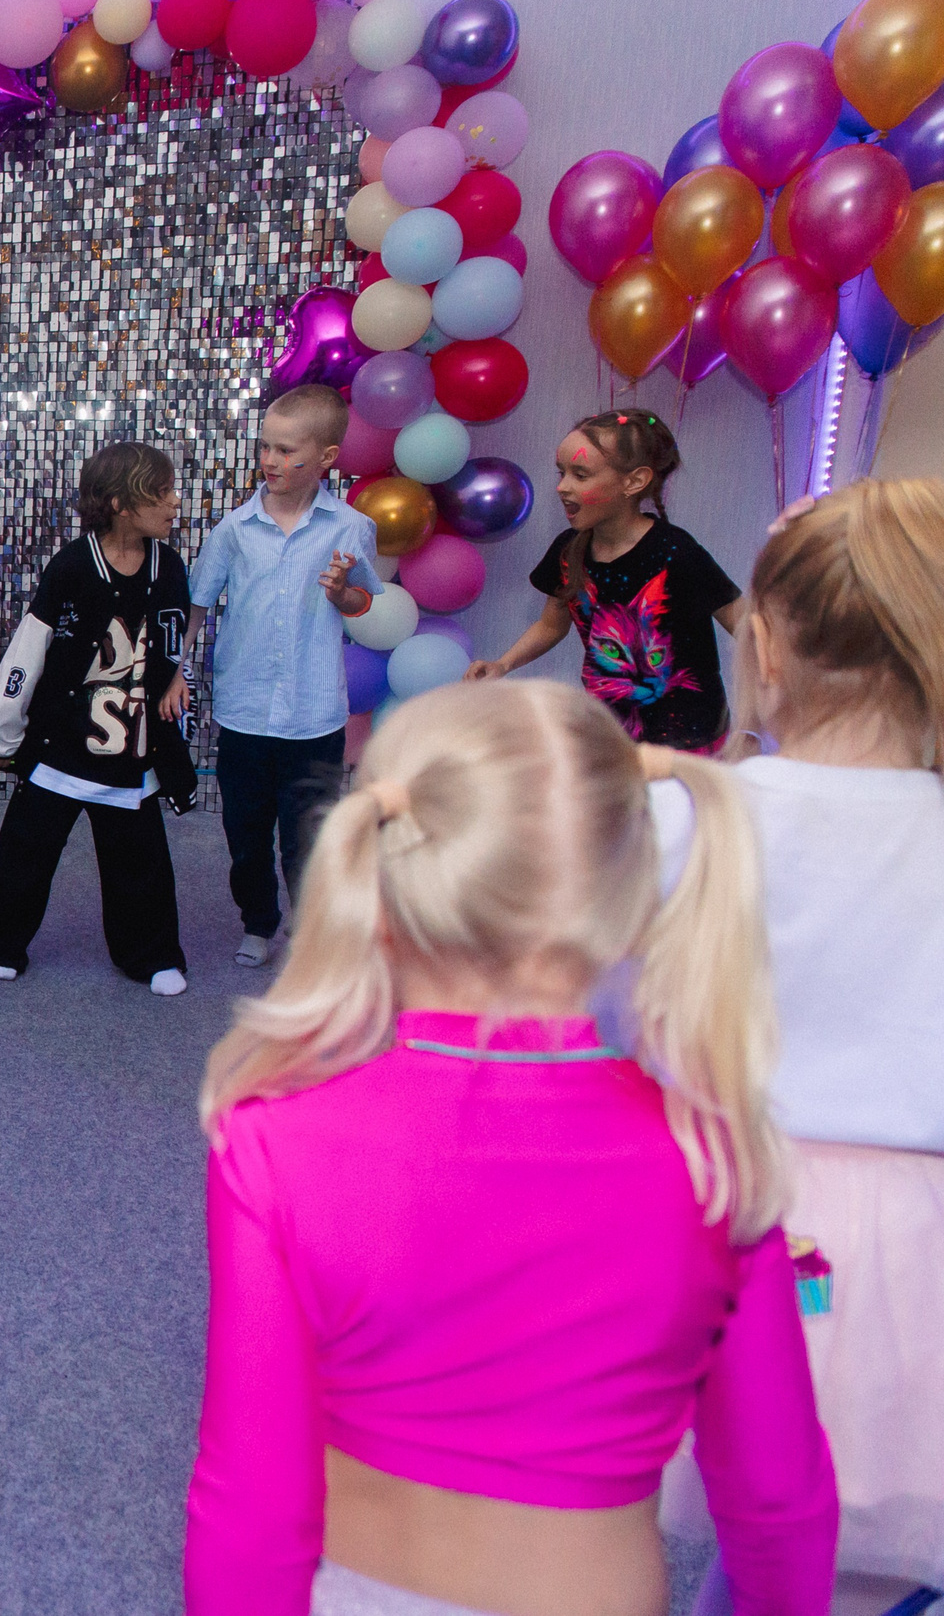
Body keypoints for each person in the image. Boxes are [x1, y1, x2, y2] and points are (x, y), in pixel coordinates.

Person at [186, 678, 837, 1616]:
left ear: (381, 882)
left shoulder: (274, 1138)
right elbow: (778, 1500)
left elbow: (250, 1502)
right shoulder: (714, 1150)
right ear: (627, 901)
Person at [660, 479, 944, 1615]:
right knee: (868, 1546)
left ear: (761, 650)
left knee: (770, 1533)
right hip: (915, 1255)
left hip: (735, 1232)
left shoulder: (694, 817)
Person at [0, 442, 193, 994]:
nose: (175, 502)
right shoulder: (71, 567)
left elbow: (171, 636)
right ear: (120, 502)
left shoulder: (169, 567)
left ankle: (149, 953)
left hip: (131, 749)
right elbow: (29, 650)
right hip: (61, 743)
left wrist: (174, 674)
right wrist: (2, 726)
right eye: (162, 493)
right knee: (27, 851)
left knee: (140, 862)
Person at [188, 385, 380, 968]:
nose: (269, 461)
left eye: (286, 450)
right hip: (244, 711)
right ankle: (257, 921)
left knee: (308, 838)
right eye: (265, 447)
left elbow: (364, 605)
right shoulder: (234, 530)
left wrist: (345, 593)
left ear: (326, 457)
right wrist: (174, 675)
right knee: (246, 836)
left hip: (314, 712)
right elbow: (198, 604)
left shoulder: (350, 528)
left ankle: (311, 925)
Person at [467, 408, 744, 753]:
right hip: (611, 734)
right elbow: (551, 626)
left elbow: (746, 626)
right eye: (562, 473)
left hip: (688, 740)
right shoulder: (568, 552)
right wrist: (503, 664)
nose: (562, 487)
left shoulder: (676, 552)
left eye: (580, 475)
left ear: (634, 482)